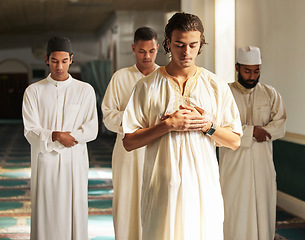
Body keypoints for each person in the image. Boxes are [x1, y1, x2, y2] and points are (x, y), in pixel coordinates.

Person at [122, 12, 242, 240]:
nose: (186, 52)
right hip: (161, 189)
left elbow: (235, 141)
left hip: (203, 189)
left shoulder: (215, 86)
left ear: (200, 45)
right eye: (179, 45)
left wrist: (208, 126)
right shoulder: (147, 86)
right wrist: (167, 126)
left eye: (193, 45)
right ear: (167, 43)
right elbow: (129, 141)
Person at [22, 36, 98, 240]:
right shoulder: (33, 92)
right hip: (45, 163)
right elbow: (30, 130)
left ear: (71, 59)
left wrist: (69, 137)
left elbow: (91, 129)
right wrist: (55, 135)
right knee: (47, 212)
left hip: (74, 162)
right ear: (46, 59)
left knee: (74, 211)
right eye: (55, 61)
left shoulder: (85, 90)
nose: (59, 66)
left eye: (64, 61)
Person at [219, 46, 287, 240]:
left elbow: (280, 123)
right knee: (235, 212)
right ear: (237, 68)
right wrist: (250, 132)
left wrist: (264, 132)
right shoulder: (225, 93)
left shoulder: (270, 94)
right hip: (234, 168)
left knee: (263, 212)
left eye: (256, 71)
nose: (252, 76)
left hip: (263, 165)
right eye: (247, 71)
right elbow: (218, 129)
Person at [101, 27, 159, 240]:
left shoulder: (165, 77)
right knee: (126, 200)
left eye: (151, 51)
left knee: (156, 200)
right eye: (142, 51)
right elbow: (108, 116)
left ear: (158, 49)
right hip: (126, 152)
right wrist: (135, 120)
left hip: (157, 149)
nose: (147, 56)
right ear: (133, 49)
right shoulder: (120, 77)